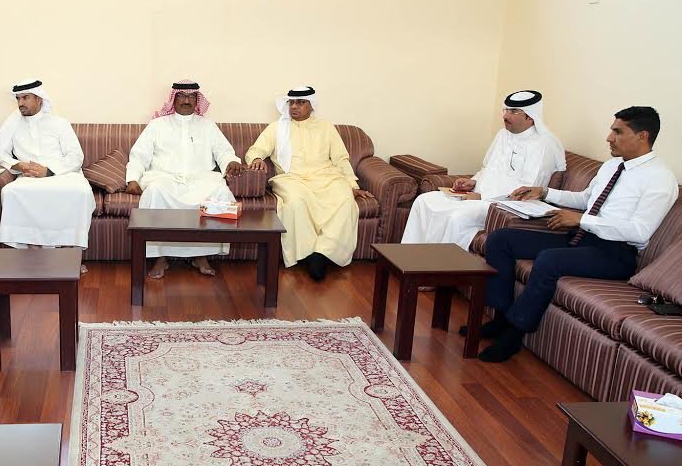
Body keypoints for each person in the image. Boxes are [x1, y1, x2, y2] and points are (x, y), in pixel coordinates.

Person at [478, 107, 678, 362]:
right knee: (501, 239)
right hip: (582, 238)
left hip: (616, 253)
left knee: (549, 260)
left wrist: (583, 220)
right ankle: (501, 318)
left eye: (618, 132)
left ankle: (513, 336)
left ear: (642, 136)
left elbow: (639, 231)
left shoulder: (660, 179)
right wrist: (544, 192)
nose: (609, 138)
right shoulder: (612, 166)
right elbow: (586, 199)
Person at [401, 90, 566, 249]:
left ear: (530, 116)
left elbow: (527, 189)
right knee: (424, 201)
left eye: (513, 112)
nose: (505, 116)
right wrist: (473, 181)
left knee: (457, 217)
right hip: (478, 196)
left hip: (505, 205)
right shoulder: (503, 134)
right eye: (506, 110)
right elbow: (488, 167)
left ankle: (441, 266)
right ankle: (411, 259)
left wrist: (482, 196)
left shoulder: (544, 144)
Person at [246, 86, 371, 281]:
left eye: (300, 103)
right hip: (291, 179)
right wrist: (256, 159)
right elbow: (256, 150)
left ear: (311, 105)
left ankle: (323, 254)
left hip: (327, 177)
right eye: (291, 103)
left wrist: (352, 186)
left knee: (346, 201)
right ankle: (306, 255)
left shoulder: (326, 127)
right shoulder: (277, 128)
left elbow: (340, 159)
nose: (294, 107)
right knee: (296, 202)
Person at [125, 79, 244, 279]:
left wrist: (231, 161)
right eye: (181, 96)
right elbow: (139, 155)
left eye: (191, 97)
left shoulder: (208, 126)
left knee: (220, 191)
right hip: (165, 178)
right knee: (154, 192)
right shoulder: (157, 125)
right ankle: (160, 256)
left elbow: (223, 151)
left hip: (200, 179)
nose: (186, 100)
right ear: (174, 98)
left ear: (197, 100)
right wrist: (132, 179)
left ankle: (201, 254)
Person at [0, 79, 94, 258]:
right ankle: (35, 252)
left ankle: (70, 255)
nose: (20, 103)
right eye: (18, 99)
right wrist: (18, 165)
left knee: (82, 192)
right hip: (29, 177)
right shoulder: (12, 124)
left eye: (25, 98)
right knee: (10, 192)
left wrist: (48, 170)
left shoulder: (59, 123)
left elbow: (76, 156)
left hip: (63, 174)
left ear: (39, 99)